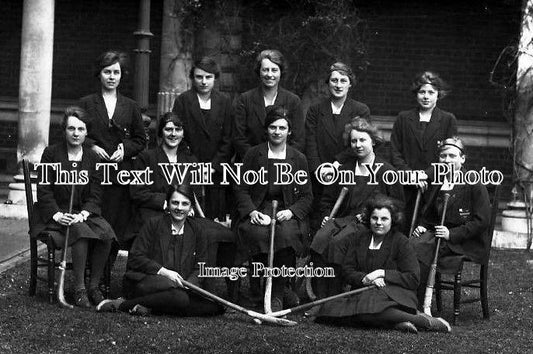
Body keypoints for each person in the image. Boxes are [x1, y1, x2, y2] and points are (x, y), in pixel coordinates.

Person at [316, 196, 451, 333]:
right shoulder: (358, 239)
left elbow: (413, 278)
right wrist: (365, 278)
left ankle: (423, 321)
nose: (378, 223)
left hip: (396, 294)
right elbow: (347, 270)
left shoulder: (401, 242)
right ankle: (396, 323)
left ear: (393, 220)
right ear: (369, 218)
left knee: (366, 310)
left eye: (384, 219)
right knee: (327, 310)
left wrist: (383, 274)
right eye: (375, 218)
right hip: (364, 292)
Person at [97, 184, 225, 317]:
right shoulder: (153, 224)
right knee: (181, 299)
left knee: (215, 307)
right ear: (167, 204)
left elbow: (201, 265)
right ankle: (122, 305)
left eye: (184, 204)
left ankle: (149, 307)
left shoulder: (197, 230)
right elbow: (136, 257)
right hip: (147, 282)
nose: (179, 208)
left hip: (180, 288)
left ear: (191, 207)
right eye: (175, 203)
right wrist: (164, 272)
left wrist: (189, 284)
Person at [309, 118, 404, 298]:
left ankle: (334, 296)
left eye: (363, 140)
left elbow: (397, 205)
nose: (358, 145)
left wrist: (373, 217)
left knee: (338, 243)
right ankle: (321, 296)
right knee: (319, 240)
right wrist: (325, 215)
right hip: (343, 220)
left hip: (370, 225)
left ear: (373, 141)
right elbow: (327, 200)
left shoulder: (386, 171)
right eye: (354, 141)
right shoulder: (345, 170)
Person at [32, 106, 116, 308]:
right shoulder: (51, 154)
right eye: (71, 129)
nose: (76, 133)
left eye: (80, 129)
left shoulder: (92, 158)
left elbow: (96, 193)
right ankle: (79, 289)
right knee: (81, 232)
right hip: (57, 215)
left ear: (87, 132)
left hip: (82, 213)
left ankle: (93, 286)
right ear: (64, 131)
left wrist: (84, 213)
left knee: (107, 233)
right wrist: (58, 215)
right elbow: (44, 191)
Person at [234, 105, 312, 310]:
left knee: (285, 236)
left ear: (289, 131)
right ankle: (257, 289)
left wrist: (292, 211)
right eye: (273, 127)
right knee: (258, 234)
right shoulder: (253, 154)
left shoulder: (298, 158)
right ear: (266, 129)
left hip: (286, 211)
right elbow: (241, 189)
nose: (277, 132)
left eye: (282, 128)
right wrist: (251, 211)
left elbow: (306, 196)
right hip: (259, 209)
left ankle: (277, 292)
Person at [411, 137, 490, 307]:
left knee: (421, 249)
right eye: (443, 156)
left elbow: (482, 221)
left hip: (465, 240)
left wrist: (451, 234)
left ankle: (419, 304)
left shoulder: (473, 182)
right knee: (409, 245)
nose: (447, 160)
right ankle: (406, 298)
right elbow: (431, 214)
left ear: (462, 158)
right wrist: (423, 226)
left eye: (452, 156)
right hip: (440, 236)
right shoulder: (439, 182)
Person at [79, 50, 146, 249]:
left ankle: (106, 269)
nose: (111, 77)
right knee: (94, 218)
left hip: (120, 175)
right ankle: (93, 269)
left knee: (116, 223)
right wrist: (91, 146)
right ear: (99, 74)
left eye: (116, 72)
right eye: (107, 72)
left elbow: (140, 139)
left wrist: (124, 149)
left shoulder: (131, 106)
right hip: (93, 173)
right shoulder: (87, 103)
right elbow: (73, 133)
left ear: (121, 75)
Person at [305, 62, 371, 232]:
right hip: (319, 172)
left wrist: (337, 164)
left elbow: (361, 142)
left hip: (346, 169)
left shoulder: (360, 109)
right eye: (334, 80)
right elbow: (310, 140)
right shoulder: (315, 109)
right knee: (319, 210)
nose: (338, 85)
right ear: (328, 83)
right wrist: (318, 169)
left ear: (350, 84)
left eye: (343, 80)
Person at [390, 71, 457, 230]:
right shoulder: (403, 118)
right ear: (416, 93)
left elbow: (449, 155)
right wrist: (411, 175)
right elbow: (394, 152)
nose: (426, 96)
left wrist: (425, 175)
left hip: (433, 186)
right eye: (422, 92)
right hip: (406, 185)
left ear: (438, 94)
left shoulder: (448, 120)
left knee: (425, 229)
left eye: (431, 92)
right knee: (402, 226)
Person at [172, 56, 234, 220]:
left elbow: (228, 139)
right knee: (191, 213)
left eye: (208, 77)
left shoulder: (224, 102)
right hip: (190, 167)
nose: (204, 82)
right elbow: (176, 136)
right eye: (199, 77)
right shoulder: (183, 101)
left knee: (213, 216)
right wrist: (194, 164)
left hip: (217, 170)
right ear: (193, 78)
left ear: (215, 78)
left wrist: (214, 166)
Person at [233, 49, 305, 161]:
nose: (269, 74)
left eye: (274, 70)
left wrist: (280, 161)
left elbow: (298, 140)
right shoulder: (245, 99)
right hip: (251, 166)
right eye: (265, 70)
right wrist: (259, 160)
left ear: (281, 72)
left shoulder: (293, 101)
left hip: (283, 167)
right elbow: (239, 138)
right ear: (259, 71)